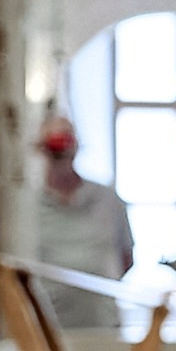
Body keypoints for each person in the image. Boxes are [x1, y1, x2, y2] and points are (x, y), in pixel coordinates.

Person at [32, 115, 132, 329]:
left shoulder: (108, 200)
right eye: (54, 147)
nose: (61, 155)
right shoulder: (28, 206)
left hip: (103, 322)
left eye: (65, 143)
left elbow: (127, 257)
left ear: (76, 146)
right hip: (49, 327)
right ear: (40, 149)